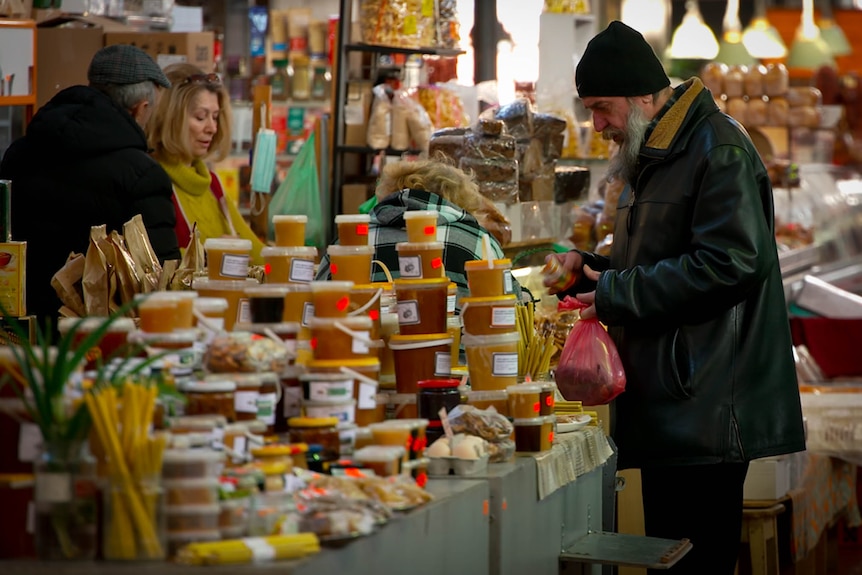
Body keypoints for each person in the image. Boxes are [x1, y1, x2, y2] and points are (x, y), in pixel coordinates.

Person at [546, 21, 805, 574]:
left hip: (708, 405)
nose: (597, 125)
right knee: (674, 560)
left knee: (696, 562)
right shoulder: (657, 151)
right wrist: (591, 270)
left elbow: (730, 264)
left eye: (602, 108)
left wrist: (617, 293)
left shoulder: (718, 147)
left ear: (643, 95)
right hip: (674, 402)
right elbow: (663, 259)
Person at [0, 44, 180, 325]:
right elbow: (162, 278)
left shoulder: (18, 153)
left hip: (19, 332)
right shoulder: (142, 174)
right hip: (99, 340)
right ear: (140, 109)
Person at [316, 158, 518, 305]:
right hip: (463, 361)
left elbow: (316, 303)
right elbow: (515, 310)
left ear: (388, 192)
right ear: (460, 198)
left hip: (354, 359)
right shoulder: (479, 241)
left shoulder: (347, 243)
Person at [147, 62, 265, 263]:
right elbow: (150, 263)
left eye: (216, 117)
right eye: (201, 117)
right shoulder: (152, 182)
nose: (212, 128)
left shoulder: (213, 185)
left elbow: (257, 252)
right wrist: (209, 256)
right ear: (171, 118)